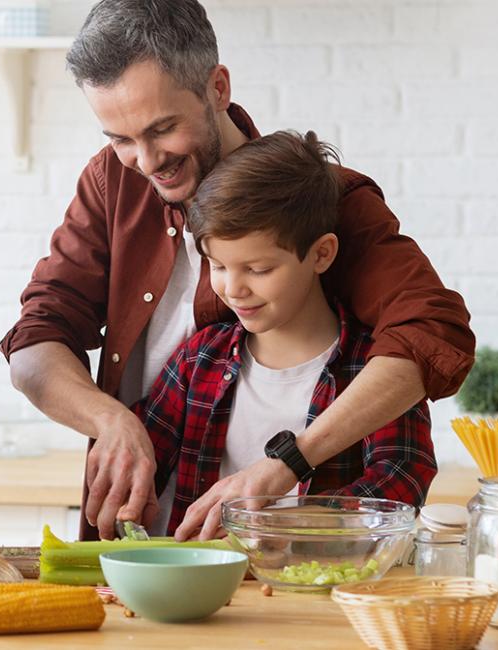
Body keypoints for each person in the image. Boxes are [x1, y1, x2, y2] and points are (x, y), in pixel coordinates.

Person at [0, 0, 474, 541]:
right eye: (120, 138)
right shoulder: (112, 180)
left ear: (217, 88)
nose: (147, 161)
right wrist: (110, 421)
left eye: (163, 129)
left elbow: (431, 332)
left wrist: (288, 467)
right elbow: (37, 339)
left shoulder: (322, 199)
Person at [136, 130, 437, 536]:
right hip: (201, 593)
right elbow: (143, 464)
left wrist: (280, 526)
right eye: (219, 266)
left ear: (321, 254)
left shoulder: (373, 369)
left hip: (323, 592)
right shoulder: (197, 360)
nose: (233, 289)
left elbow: (401, 482)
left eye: (258, 270)